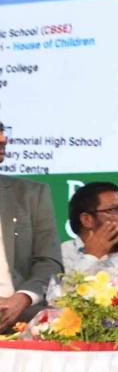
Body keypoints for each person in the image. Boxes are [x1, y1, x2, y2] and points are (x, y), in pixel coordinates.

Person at [0, 124, 61, 331]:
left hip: (20, 312)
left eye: (3, 135)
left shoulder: (31, 195)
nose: (3, 140)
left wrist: (23, 298)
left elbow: (49, 262)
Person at [61, 181, 118, 277]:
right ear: (86, 219)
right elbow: (65, 286)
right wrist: (91, 256)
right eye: (113, 210)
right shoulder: (62, 254)